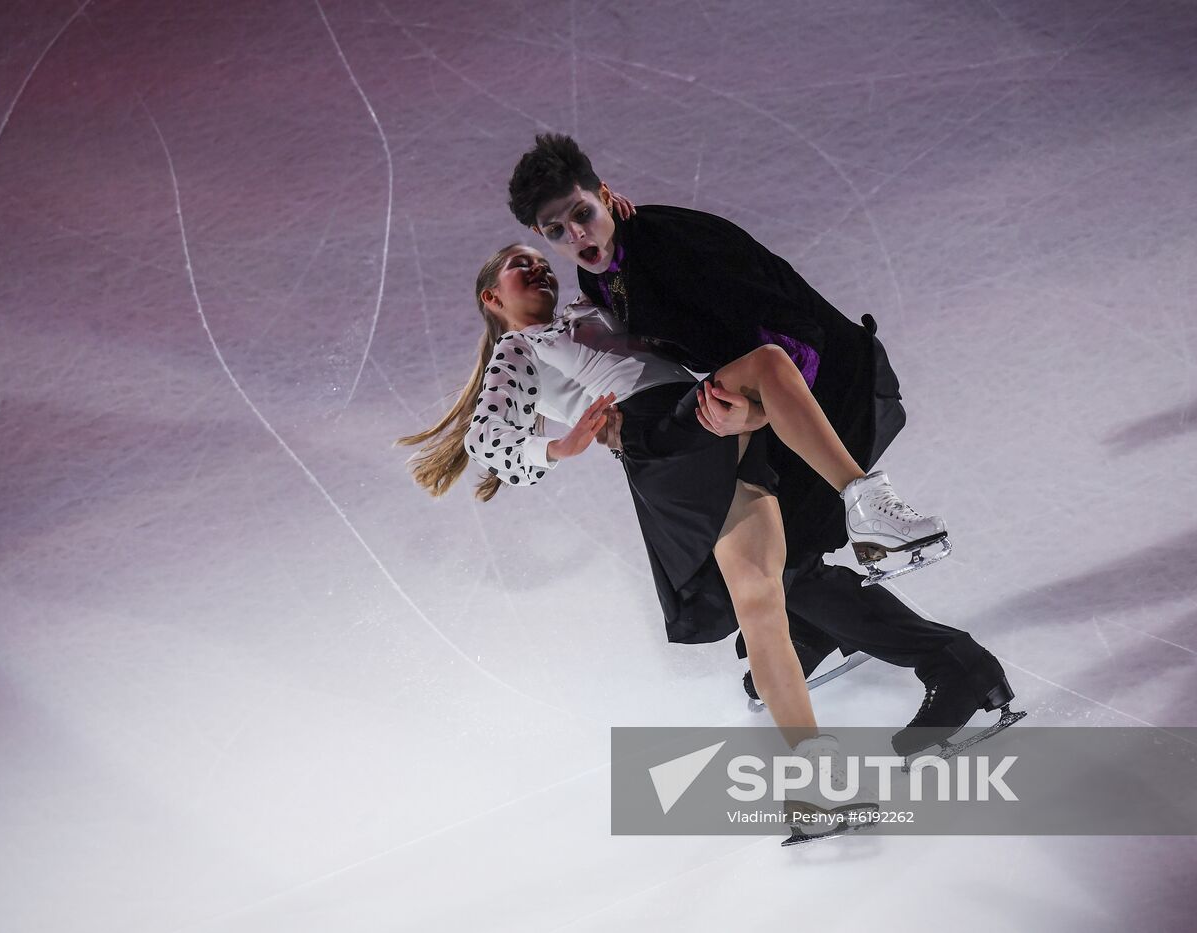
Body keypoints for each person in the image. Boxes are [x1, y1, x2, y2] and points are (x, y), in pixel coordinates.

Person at [400, 244, 953, 835]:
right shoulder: (518, 348)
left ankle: (810, 792)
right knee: (767, 365)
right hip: (661, 435)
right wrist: (563, 446)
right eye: (519, 265)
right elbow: (488, 437)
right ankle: (867, 505)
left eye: (541, 260)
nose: (538, 268)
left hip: (701, 426)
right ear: (493, 298)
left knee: (762, 603)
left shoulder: (587, 311)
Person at [505, 134, 1018, 757]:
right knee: (767, 561)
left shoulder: (672, 247)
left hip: (828, 386)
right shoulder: (613, 268)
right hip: (776, 407)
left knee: (783, 562)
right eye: (555, 230)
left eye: (582, 213)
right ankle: (815, 631)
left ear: (606, 195)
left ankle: (956, 665)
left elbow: (791, 337)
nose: (576, 237)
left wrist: (749, 409)